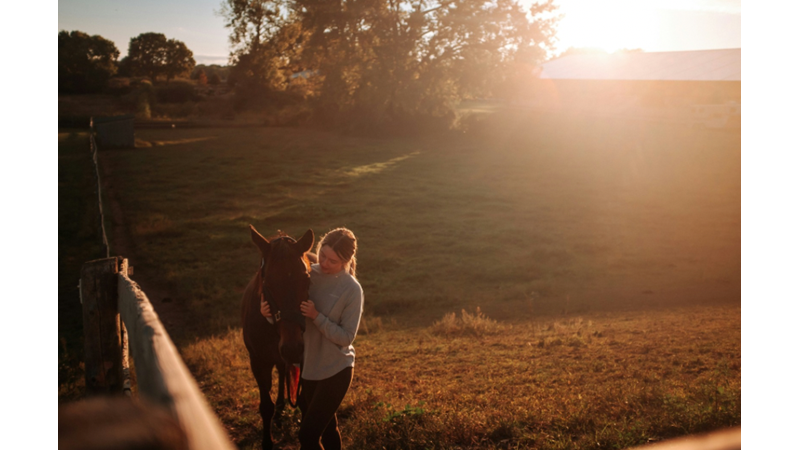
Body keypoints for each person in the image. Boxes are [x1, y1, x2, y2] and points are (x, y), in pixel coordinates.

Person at [261, 227, 364, 450]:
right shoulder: (306, 275)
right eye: (323, 255)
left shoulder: (352, 290)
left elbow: (346, 337)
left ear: (346, 261)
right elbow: (289, 312)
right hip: (309, 370)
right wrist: (269, 315)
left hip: (336, 370)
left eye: (333, 261)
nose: (324, 263)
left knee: (307, 437)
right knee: (328, 430)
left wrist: (317, 317)